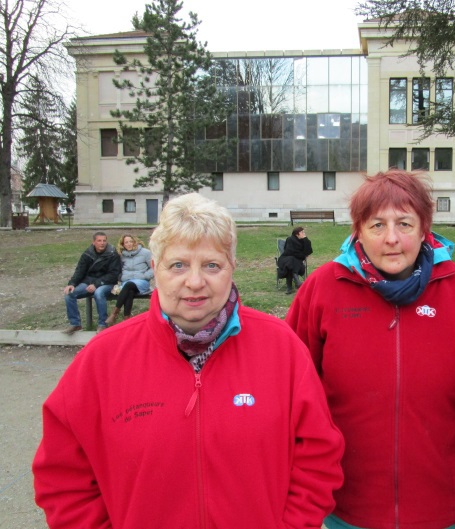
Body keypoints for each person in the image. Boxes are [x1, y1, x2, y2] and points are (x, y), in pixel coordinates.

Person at [34, 193, 344, 529]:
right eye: (178, 265)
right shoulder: (101, 360)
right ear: (156, 269)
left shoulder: (282, 348)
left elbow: (318, 457)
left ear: (232, 269)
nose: (195, 282)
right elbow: (64, 478)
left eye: (212, 265)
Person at [286, 170, 455, 529]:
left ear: (425, 227)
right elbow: (293, 393)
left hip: (441, 504)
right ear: (358, 230)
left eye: (405, 223)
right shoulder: (323, 289)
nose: (392, 239)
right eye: (377, 225)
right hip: (348, 505)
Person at [62, 231, 121, 334]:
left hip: (107, 283)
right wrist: (72, 284)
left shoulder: (112, 254)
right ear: (94, 242)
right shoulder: (87, 254)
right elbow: (80, 271)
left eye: (104, 241)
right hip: (89, 282)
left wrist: (97, 284)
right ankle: (75, 323)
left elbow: (113, 274)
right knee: (69, 294)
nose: (102, 243)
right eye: (99, 241)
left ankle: (103, 324)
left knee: (99, 293)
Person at [106, 233, 154, 326]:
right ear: (123, 245)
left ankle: (115, 313)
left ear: (135, 242)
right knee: (129, 291)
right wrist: (120, 277)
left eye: (131, 241)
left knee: (129, 285)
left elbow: (154, 267)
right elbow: (117, 269)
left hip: (141, 281)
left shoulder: (145, 253)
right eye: (126, 242)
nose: (129, 244)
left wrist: (145, 276)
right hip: (127, 281)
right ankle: (127, 319)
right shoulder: (122, 255)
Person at [277, 226, 313, 294]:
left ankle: (289, 287)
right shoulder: (290, 239)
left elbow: (308, 251)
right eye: (302, 232)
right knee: (291, 260)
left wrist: (305, 239)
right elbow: (290, 252)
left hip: (294, 262)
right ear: (297, 234)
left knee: (290, 263)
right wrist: (302, 255)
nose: (304, 233)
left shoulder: (305, 241)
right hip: (285, 259)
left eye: (304, 232)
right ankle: (297, 282)